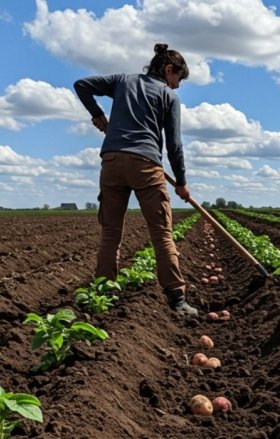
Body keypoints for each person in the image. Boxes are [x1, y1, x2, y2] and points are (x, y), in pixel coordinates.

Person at [73, 43, 197, 316]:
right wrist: (181, 181)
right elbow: (174, 145)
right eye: (178, 79)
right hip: (146, 164)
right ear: (168, 70)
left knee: (110, 233)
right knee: (162, 233)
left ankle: (103, 295)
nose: (177, 86)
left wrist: (97, 114)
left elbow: (82, 85)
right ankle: (177, 299)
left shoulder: (122, 80)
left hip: (112, 162)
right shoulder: (168, 96)